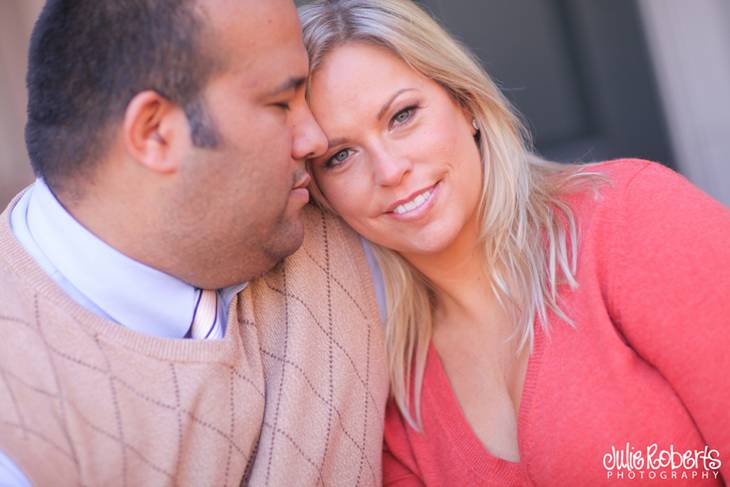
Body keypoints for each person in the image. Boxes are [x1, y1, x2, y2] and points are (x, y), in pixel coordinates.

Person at [298, 0, 730, 485]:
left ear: (465, 104)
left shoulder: (632, 217)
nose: (389, 169)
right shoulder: (397, 403)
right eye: (341, 156)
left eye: (402, 116)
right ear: (321, 193)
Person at [0, 0, 388, 485]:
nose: (315, 139)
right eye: (280, 102)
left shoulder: (343, 211)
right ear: (156, 133)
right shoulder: (17, 434)